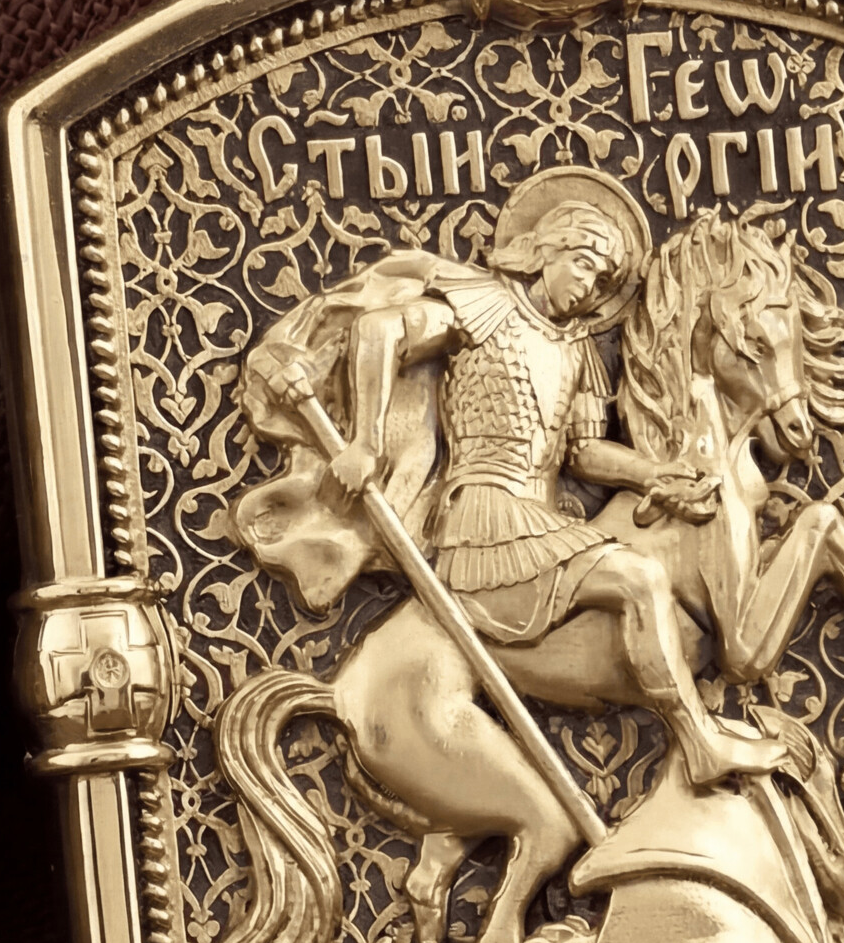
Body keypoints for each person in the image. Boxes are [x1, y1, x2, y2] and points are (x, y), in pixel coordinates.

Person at [324, 188, 785, 785]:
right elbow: (379, 330)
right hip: (484, 520)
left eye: (601, 280)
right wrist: (366, 440)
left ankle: (697, 739)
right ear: (545, 252)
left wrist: (653, 474)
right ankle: (699, 743)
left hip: (539, 521)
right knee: (640, 578)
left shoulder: (576, 350)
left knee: (641, 576)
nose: (588, 288)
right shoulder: (482, 306)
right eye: (583, 265)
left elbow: (582, 452)